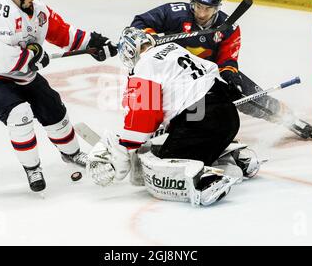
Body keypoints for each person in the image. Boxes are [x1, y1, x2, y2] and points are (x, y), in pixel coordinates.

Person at [0, 0, 117, 192]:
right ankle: (32, 168)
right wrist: (33, 56)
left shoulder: (39, 10)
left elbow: (63, 33)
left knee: (54, 110)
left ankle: (73, 154)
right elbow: (5, 59)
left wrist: (94, 43)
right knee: (20, 114)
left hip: (24, 75)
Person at [87, 27, 261, 207]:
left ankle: (205, 182)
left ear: (129, 52)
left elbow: (143, 119)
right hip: (227, 115)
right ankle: (239, 159)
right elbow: (208, 78)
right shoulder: (174, 48)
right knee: (193, 141)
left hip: (203, 120)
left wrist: (125, 146)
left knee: (164, 164)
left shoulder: (145, 65)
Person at [130, 0, 312, 139]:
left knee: (246, 94)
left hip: (205, 74)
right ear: (191, 2)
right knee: (173, 106)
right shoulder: (175, 13)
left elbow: (227, 61)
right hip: (173, 71)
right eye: (198, 6)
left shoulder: (228, 28)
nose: (201, 13)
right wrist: (151, 39)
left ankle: (287, 117)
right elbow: (139, 22)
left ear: (217, 7)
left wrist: (230, 78)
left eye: (207, 9)